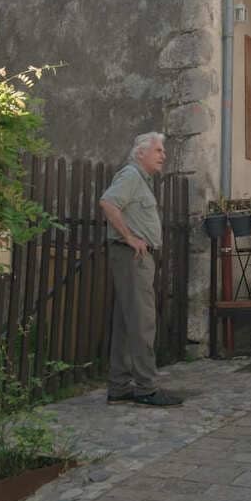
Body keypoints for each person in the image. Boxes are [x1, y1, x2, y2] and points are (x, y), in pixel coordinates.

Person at [100, 132, 182, 407]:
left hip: (135, 257)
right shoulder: (131, 175)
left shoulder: (140, 180)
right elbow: (108, 203)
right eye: (158, 150)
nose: (163, 155)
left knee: (127, 322)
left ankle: (119, 386)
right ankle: (146, 387)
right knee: (143, 321)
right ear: (140, 153)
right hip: (132, 255)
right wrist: (129, 237)